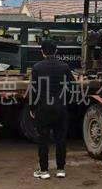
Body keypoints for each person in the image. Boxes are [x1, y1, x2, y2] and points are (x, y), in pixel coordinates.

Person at [29, 39, 75, 179]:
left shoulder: (37, 68)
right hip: (60, 108)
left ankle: (44, 171)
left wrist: (32, 107)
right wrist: (66, 101)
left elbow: (34, 90)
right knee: (60, 140)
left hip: (43, 108)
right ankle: (60, 169)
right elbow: (72, 86)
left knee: (43, 140)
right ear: (56, 51)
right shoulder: (64, 67)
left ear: (42, 52)